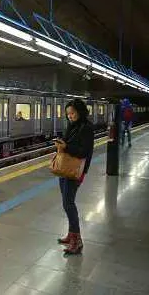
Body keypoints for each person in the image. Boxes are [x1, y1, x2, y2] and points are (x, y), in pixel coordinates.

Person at [54, 99, 94, 254]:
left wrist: (66, 147)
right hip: (65, 169)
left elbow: (83, 151)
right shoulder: (72, 126)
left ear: (80, 112)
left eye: (73, 113)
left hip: (75, 171)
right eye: (68, 114)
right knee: (66, 203)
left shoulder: (87, 128)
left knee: (69, 203)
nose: (70, 116)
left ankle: (77, 240)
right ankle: (71, 234)